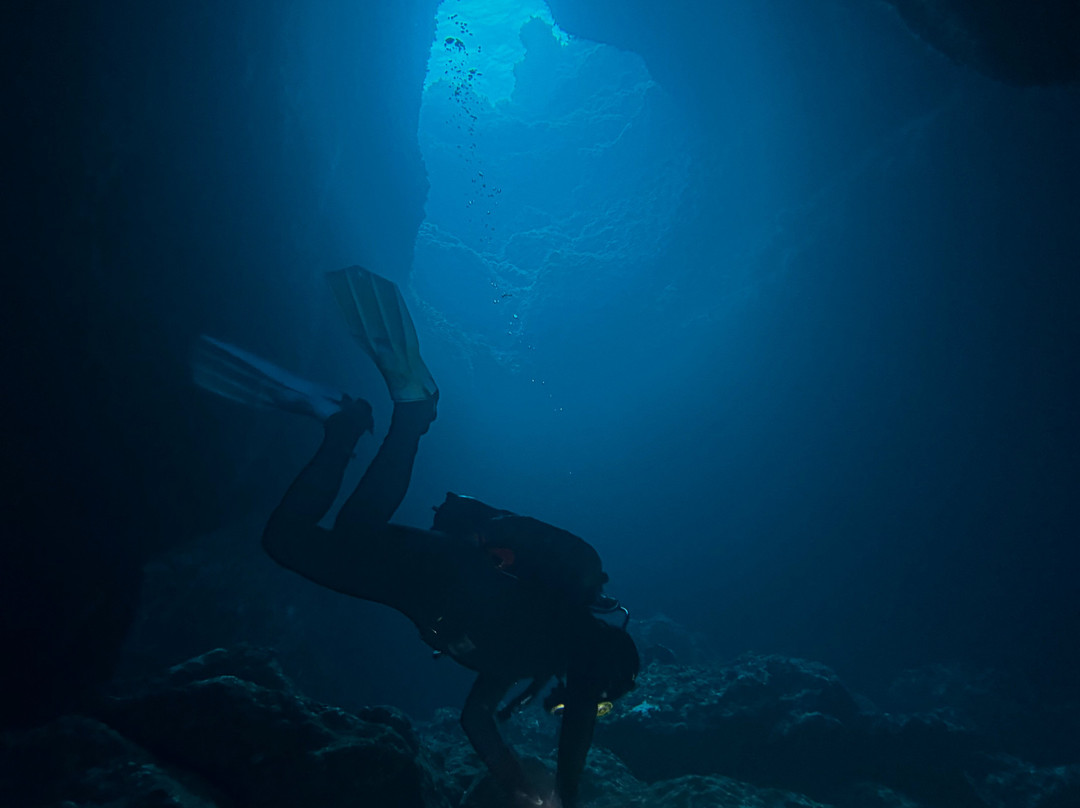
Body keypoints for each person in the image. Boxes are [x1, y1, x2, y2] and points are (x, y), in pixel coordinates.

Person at [256, 267, 639, 807]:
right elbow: (576, 728)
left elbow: (475, 719)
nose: (588, 702)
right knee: (291, 541)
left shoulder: (536, 656)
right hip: (439, 577)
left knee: (346, 531)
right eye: (601, 700)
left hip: (426, 585)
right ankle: (404, 415)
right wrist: (569, 801)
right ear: (608, 675)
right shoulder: (585, 649)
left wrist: (518, 784)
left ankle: (356, 425)